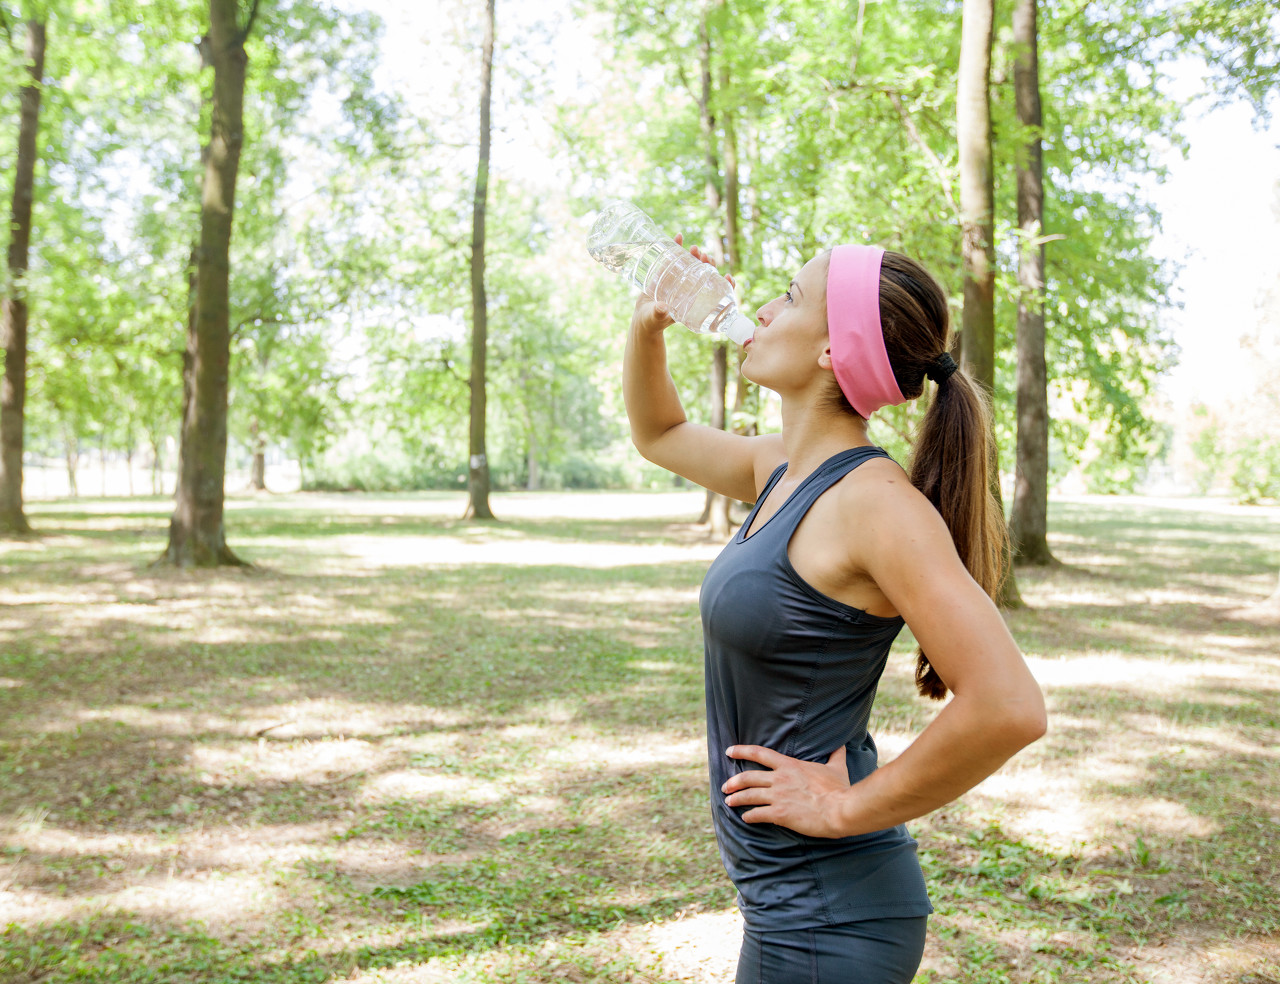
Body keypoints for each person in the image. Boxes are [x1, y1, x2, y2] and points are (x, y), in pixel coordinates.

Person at [622, 237, 1047, 984]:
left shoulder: (877, 507)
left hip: (829, 915)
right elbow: (660, 434)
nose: (759, 308)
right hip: (790, 905)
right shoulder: (779, 471)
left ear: (830, 350)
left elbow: (1009, 706)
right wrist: (647, 324)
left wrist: (846, 811)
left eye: (788, 295)